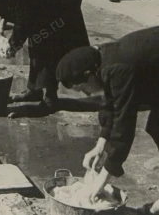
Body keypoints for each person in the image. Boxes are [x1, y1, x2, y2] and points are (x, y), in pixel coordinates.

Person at [56, 26, 159, 209]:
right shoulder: (102, 61)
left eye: (83, 89)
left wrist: (103, 177)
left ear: (88, 75)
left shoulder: (119, 68)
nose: (87, 94)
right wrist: (100, 145)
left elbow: (124, 123)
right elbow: (110, 103)